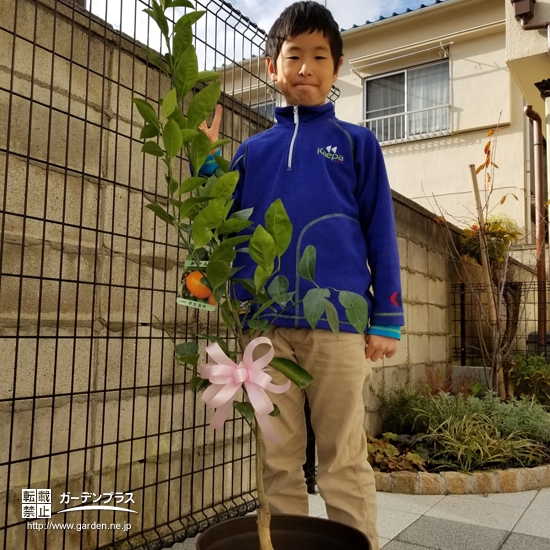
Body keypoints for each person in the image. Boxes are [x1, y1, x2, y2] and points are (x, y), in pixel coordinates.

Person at [200, 3, 404, 548]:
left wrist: (387, 316)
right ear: (272, 67)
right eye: (294, 56)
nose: (306, 68)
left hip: (337, 323)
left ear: (336, 69)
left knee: (343, 454)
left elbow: (380, 230)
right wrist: (207, 164)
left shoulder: (359, 145)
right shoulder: (252, 151)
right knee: (278, 456)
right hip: (265, 326)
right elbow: (225, 224)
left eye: (320, 57)